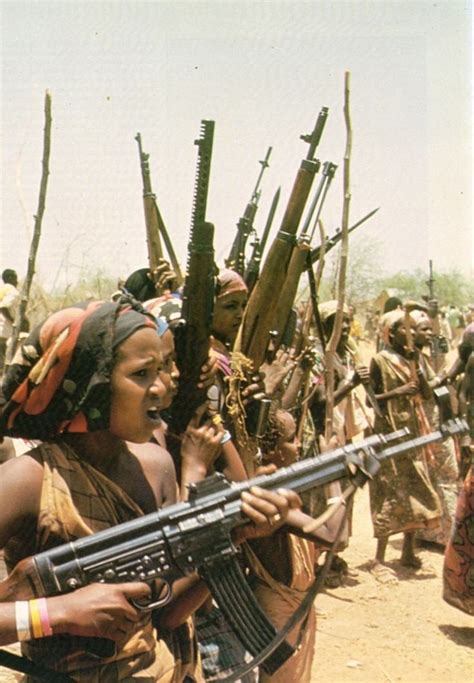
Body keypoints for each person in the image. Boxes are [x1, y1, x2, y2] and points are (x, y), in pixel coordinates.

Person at [0, 298, 300, 680]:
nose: (162, 387)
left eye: (162, 369)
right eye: (142, 374)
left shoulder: (156, 467)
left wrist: (233, 535)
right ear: (94, 383)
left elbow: (167, 613)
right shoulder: (29, 479)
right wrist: (56, 613)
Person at [368, 309, 442, 583]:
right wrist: (397, 392)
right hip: (388, 435)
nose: (410, 335)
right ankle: (379, 558)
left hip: (412, 433)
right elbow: (370, 401)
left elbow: (426, 394)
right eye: (404, 329)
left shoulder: (415, 358)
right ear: (391, 332)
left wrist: (418, 369)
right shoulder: (379, 360)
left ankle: (408, 552)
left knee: (416, 489)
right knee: (388, 490)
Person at [411, 310, 460, 548]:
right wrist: (443, 377)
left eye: (430, 329)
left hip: (433, 417)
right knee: (444, 474)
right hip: (427, 421)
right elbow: (427, 389)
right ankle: (444, 533)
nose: (429, 333)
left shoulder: (421, 356)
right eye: (424, 329)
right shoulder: (412, 358)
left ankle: (440, 531)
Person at [0, 268, 19, 374]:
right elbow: (4, 307)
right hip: (5, 332)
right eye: (16, 278)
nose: (17, 281)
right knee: (4, 365)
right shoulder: (12, 291)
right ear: (10, 278)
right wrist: (13, 321)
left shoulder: (2, 290)